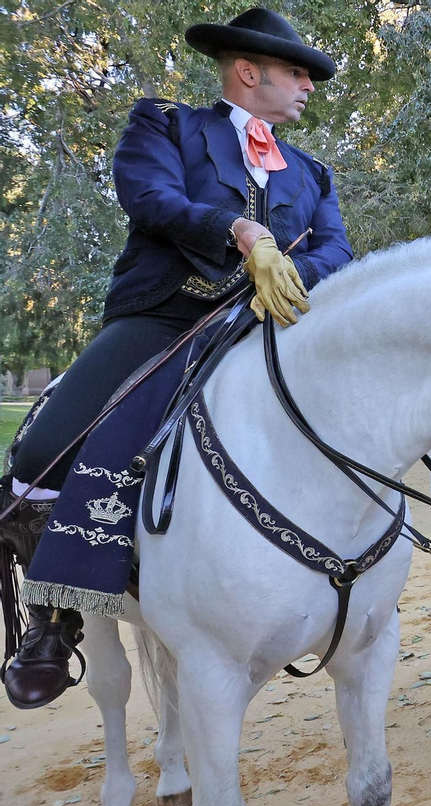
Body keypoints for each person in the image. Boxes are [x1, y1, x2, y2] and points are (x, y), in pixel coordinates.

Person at [1, 7, 352, 710]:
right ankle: (54, 618)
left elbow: (336, 249)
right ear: (248, 72)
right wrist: (239, 229)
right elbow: (149, 198)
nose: (309, 83)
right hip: (164, 316)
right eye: (297, 72)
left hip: (265, 323)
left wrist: (289, 276)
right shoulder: (166, 125)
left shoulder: (311, 171)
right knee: (41, 447)